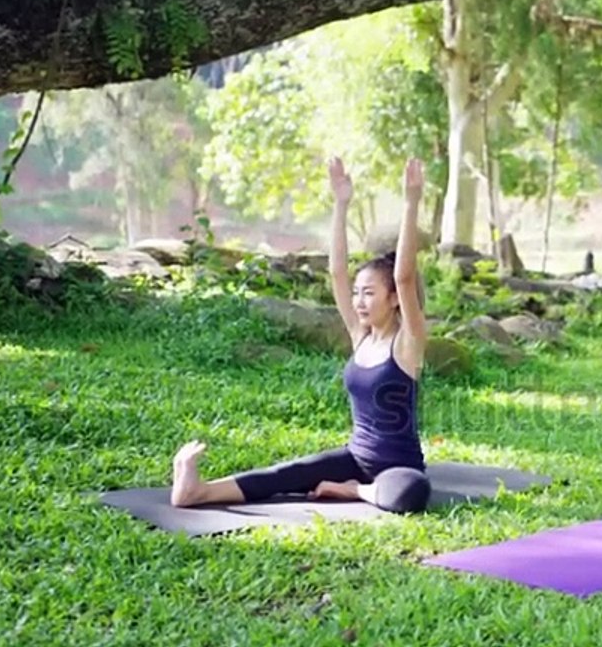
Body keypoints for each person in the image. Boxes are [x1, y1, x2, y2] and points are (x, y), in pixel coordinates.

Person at [168, 155, 432, 514]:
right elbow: (337, 272)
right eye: (357, 293)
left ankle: (357, 492)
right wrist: (341, 203)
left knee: (413, 491)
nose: (359, 302)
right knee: (290, 472)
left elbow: (404, 276)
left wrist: (411, 202)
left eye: (369, 293)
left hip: (398, 469)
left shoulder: (407, 344)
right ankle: (196, 491)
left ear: (394, 301)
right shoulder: (361, 336)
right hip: (355, 457)